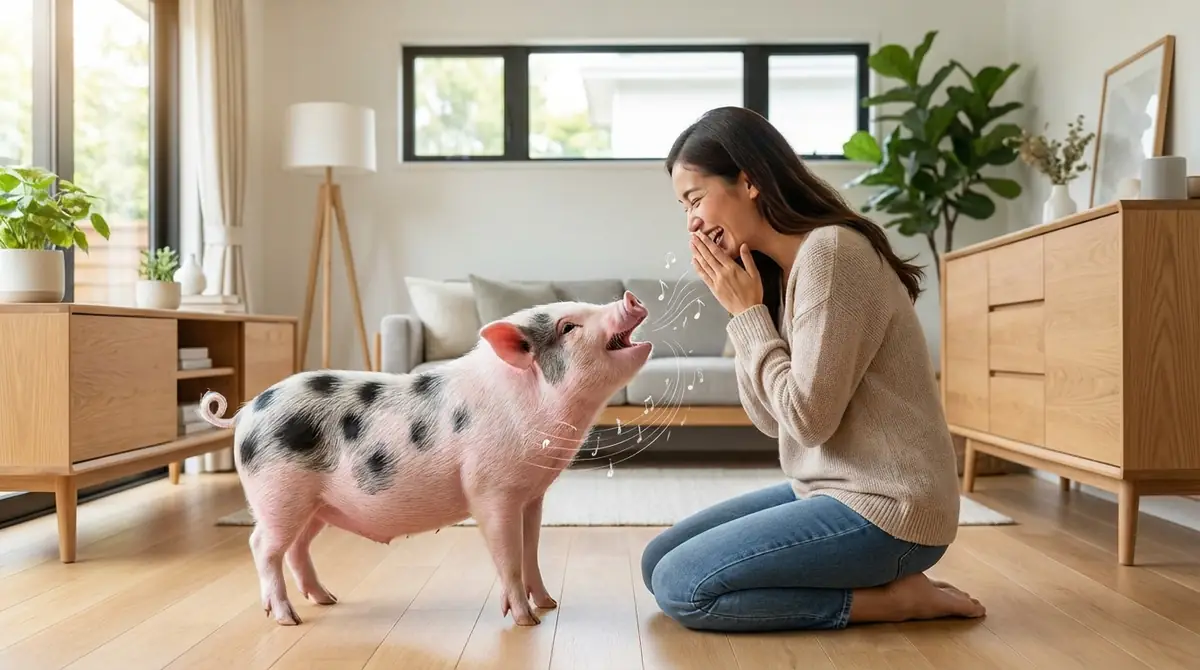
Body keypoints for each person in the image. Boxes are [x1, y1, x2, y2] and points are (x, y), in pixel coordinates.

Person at [640, 106, 986, 632]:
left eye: (694, 199)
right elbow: (770, 420)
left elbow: (807, 422)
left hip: (891, 509)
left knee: (681, 588)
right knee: (656, 561)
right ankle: (875, 584)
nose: (691, 220)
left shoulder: (831, 253)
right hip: (829, 489)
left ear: (749, 181)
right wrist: (746, 312)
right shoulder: (784, 270)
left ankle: (895, 601)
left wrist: (748, 316)